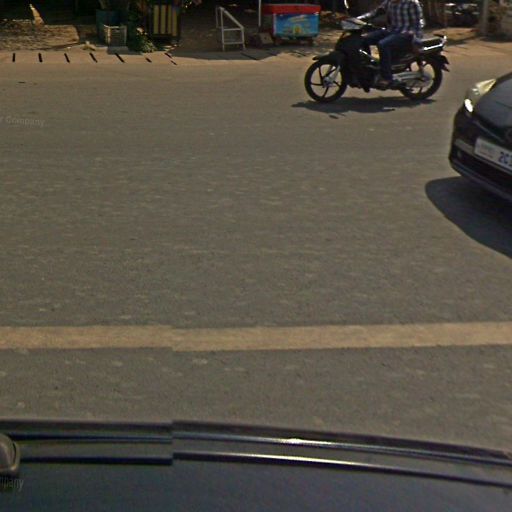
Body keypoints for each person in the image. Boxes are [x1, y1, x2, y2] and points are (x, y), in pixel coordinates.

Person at [358, 0, 425, 88]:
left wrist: (415, 39)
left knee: (383, 44)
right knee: (365, 39)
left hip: (406, 34)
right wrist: (357, 20)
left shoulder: (412, 3)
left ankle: (387, 78)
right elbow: (375, 13)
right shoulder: (389, 2)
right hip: (392, 31)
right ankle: (373, 66)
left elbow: (418, 24)